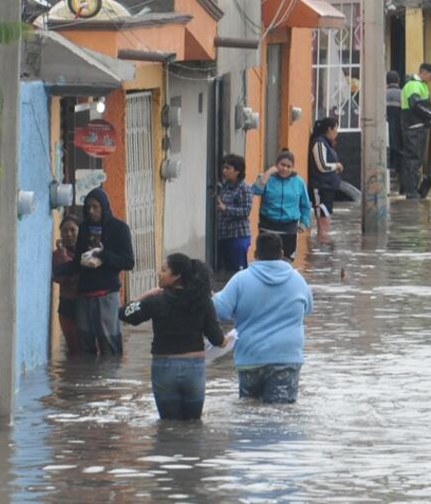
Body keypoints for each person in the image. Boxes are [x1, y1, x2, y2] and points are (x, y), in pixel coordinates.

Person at [119, 254, 227, 420]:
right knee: (193, 425)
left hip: (164, 369)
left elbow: (125, 314)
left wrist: (147, 295)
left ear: (176, 276)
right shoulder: (203, 301)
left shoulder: (156, 301)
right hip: (194, 370)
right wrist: (226, 340)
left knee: (168, 426)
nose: (158, 273)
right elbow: (217, 339)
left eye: (163, 270)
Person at [214, 233, 313, 404]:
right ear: (282, 253)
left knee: (250, 414)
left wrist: (213, 298)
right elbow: (308, 310)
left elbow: (221, 311)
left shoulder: (240, 280)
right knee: (282, 416)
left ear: (255, 254)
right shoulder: (298, 280)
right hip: (287, 359)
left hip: (250, 358)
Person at [52, 187, 135, 355]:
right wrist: (56, 271)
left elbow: (128, 262)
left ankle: (109, 381)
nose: (91, 211)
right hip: (84, 297)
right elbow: (77, 263)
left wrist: (103, 254)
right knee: (85, 347)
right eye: (88, 207)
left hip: (107, 295)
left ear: (104, 206)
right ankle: (88, 380)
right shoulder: (84, 228)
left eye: (95, 207)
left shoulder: (119, 228)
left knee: (110, 345)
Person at [254, 151, 311, 261]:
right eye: (282, 165)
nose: (285, 169)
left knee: (287, 260)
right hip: (267, 226)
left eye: (289, 166)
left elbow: (305, 205)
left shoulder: (299, 182)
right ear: (276, 164)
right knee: (265, 259)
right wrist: (268, 173)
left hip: (288, 228)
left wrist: (304, 222)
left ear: (293, 167)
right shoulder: (265, 178)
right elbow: (256, 191)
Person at [400, 62, 431, 198]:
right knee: (413, 160)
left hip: (419, 127)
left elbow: (424, 104)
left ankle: (411, 188)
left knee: (416, 160)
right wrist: (430, 115)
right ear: (425, 73)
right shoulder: (413, 85)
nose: (430, 79)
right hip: (413, 128)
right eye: (430, 76)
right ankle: (411, 191)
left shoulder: (422, 86)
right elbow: (414, 104)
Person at [216, 154, 252, 273]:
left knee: (238, 271)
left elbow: (246, 210)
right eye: (223, 168)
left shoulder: (243, 188)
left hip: (238, 236)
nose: (224, 171)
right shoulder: (224, 187)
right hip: (224, 236)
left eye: (228, 168)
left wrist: (226, 209)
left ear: (237, 171)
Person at [308, 117, 343, 240]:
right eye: (336, 129)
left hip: (328, 187)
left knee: (326, 219)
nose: (337, 132)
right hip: (320, 186)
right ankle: (321, 246)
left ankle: (324, 248)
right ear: (329, 129)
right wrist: (336, 166)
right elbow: (321, 166)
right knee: (322, 221)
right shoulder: (319, 143)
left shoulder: (327, 144)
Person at [51, 216, 81, 355]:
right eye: (64, 231)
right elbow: (61, 277)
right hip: (67, 308)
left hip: (86, 306)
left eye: (72, 230)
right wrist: (63, 252)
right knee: (73, 349)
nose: (68, 234)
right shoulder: (57, 254)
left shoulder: (87, 252)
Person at [386, 70, 403, 180]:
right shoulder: (402, 94)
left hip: (386, 127)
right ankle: (397, 171)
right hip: (400, 127)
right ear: (398, 80)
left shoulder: (383, 94)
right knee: (399, 149)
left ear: (386, 81)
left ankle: (389, 170)